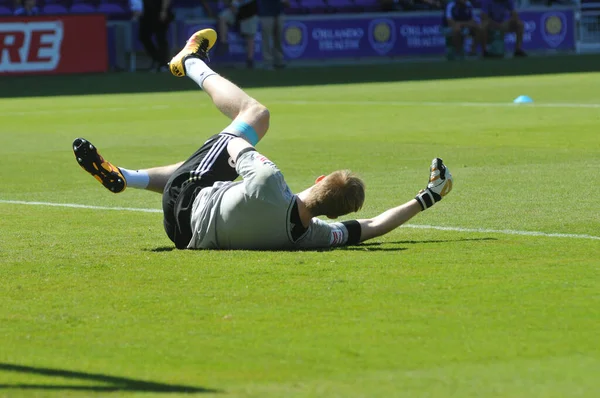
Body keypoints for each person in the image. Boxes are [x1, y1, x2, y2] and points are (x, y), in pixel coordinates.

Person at [72, 29, 454, 250]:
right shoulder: (313, 238)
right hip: (182, 234)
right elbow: (372, 227)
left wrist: (250, 148)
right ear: (336, 215)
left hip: (185, 200)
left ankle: (189, 61)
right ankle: (125, 176)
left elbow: (234, 145)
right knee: (203, 171)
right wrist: (427, 197)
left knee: (255, 116)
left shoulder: (270, 182)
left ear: (320, 179)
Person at [130, 0, 175, 72]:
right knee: (143, 37)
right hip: (146, 14)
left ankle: (163, 64)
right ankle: (157, 59)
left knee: (161, 38)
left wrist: (164, 10)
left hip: (159, 12)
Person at [218, 0, 258, 68]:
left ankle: (250, 59)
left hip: (248, 12)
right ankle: (223, 42)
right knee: (222, 17)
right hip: (235, 10)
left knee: (250, 36)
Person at [258, 0, 287, 70]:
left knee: (279, 38)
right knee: (266, 39)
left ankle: (279, 60)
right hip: (265, 12)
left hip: (279, 11)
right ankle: (268, 62)